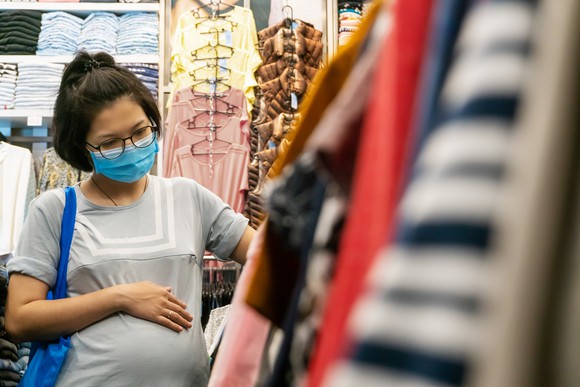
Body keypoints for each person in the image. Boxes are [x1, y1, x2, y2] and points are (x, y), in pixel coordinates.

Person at [5, 51, 255, 386]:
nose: (131, 148)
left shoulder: (188, 196)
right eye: (109, 143)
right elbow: (20, 318)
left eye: (140, 132)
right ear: (82, 148)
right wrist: (119, 298)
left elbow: (263, 253)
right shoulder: (55, 210)